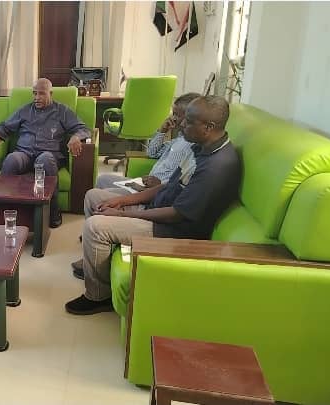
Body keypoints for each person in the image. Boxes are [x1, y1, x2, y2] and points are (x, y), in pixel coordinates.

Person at [65, 96, 241, 315]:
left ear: (208, 127)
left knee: (95, 227)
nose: (181, 124)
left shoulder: (215, 167)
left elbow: (176, 214)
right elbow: (167, 186)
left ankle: (98, 295)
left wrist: (122, 216)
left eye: (188, 121)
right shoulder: (201, 148)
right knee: (94, 197)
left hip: (172, 231)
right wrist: (123, 200)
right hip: (160, 210)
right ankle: (98, 266)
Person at [0, 78, 91, 228]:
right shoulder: (25, 110)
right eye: (34, 93)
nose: (37, 97)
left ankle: (53, 211)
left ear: (50, 94)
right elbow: (5, 127)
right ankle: (8, 210)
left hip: (49, 154)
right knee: (11, 160)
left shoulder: (62, 111)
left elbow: (83, 129)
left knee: (44, 160)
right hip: (24, 153)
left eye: (41, 94)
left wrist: (76, 137)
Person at [95, 92, 201, 191]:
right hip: (145, 184)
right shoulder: (178, 140)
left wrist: (156, 185)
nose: (173, 118)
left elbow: (180, 181)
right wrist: (162, 131)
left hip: (154, 191)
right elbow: (152, 153)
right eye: (173, 114)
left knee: (96, 194)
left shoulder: (192, 146)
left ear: (189, 118)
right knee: (102, 179)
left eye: (177, 115)